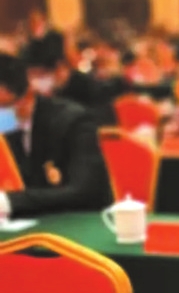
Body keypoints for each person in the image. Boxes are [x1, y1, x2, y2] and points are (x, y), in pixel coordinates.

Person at [0, 53, 110, 217]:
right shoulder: (8, 130)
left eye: (3, 106)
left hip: (76, 219)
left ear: (28, 94)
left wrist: (10, 201)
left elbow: (83, 191)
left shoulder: (73, 122)